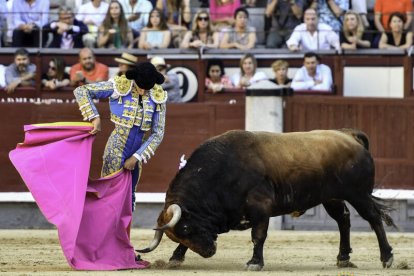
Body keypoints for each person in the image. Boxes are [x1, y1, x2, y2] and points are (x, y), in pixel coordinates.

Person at [73, 61, 166, 223]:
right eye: (140, 86)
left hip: (137, 153)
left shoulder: (158, 95)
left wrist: (136, 157)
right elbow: (82, 91)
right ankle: (101, 237)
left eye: (147, 87)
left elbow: (158, 133)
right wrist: (94, 117)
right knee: (108, 195)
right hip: (116, 148)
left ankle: (120, 242)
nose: (143, 90)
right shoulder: (120, 86)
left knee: (129, 197)